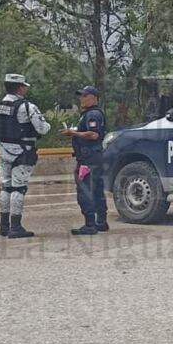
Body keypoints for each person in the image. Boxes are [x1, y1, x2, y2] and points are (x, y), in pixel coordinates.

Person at [0, 74, 51, 237]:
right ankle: (15, 227)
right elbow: (43, 129)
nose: (26, 88)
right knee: (18, 188)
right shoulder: (27, 107)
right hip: (23, 151)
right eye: (24, 86)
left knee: (6, 187)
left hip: (3, 151)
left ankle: (4, 226)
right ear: (20, 88)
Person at [61, 86, 108, 235]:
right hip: (94, 157)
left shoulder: (93, 114)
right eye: (80, 96)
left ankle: (90, 225)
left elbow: (93, 135)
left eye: (85, 96)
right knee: (97, 189)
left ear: (94, 97)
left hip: (88, 159)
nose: (81, 98)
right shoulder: (90, 113)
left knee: (85, 190)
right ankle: (101, 221)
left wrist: (73, 133)